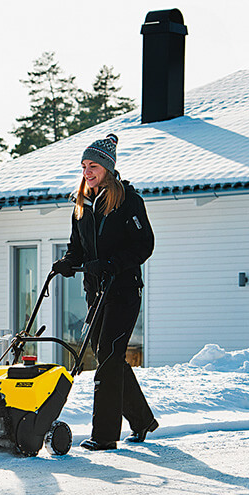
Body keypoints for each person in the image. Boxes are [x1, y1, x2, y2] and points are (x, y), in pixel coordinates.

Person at [52, 133, 158, 451]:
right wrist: (68, 263)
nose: (87, 171)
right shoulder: (82, 202)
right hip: (95, 292)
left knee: (109, 359)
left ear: (107, 168)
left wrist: (113, 263)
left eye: (93, 165)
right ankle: (142, 421)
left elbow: (144, 244)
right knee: (107, 357)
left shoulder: (128, 200)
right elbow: (77, 247)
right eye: (84, 165)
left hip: (123, 291)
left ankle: (105, 435)